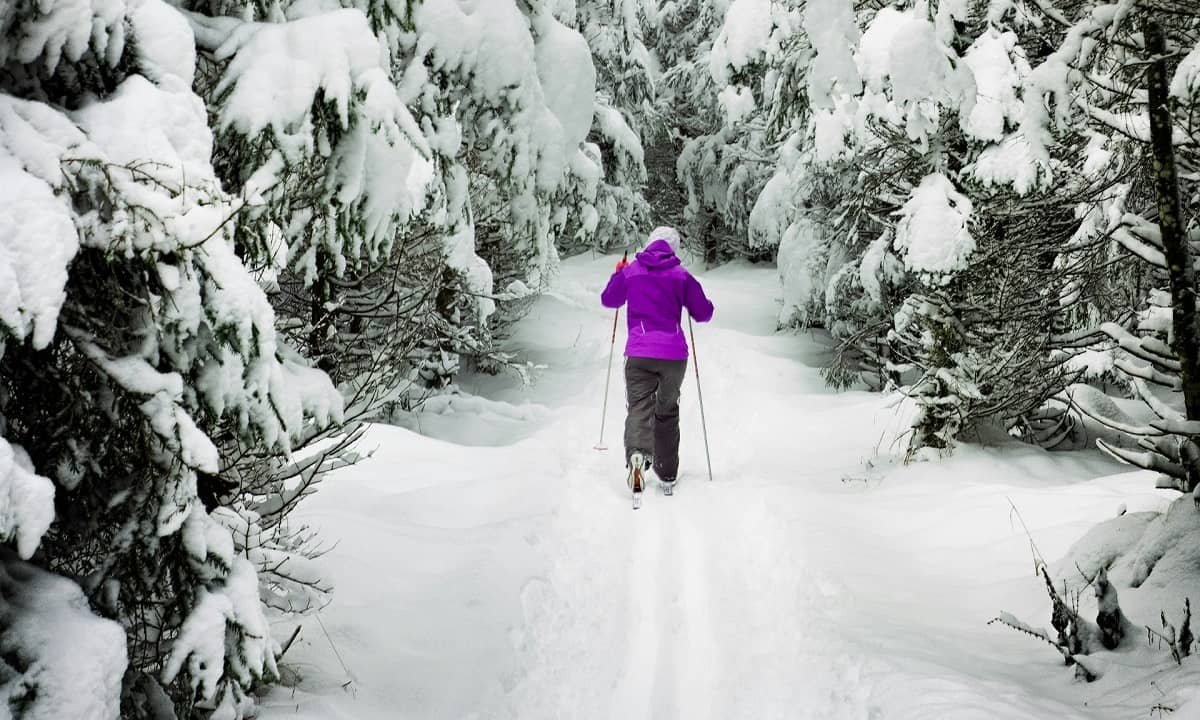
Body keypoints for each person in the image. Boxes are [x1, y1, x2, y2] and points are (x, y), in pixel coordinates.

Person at [600, 226, 714, 496]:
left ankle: (637, 457)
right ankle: (667, 473)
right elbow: (704, 313)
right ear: (672, 249)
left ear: (650, 244)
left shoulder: (632, 271)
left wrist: (618, 273)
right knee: (666, 410)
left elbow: (609, 299)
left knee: (639, 407)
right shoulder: (681, 275)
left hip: (639, 354)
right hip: (674, 357)